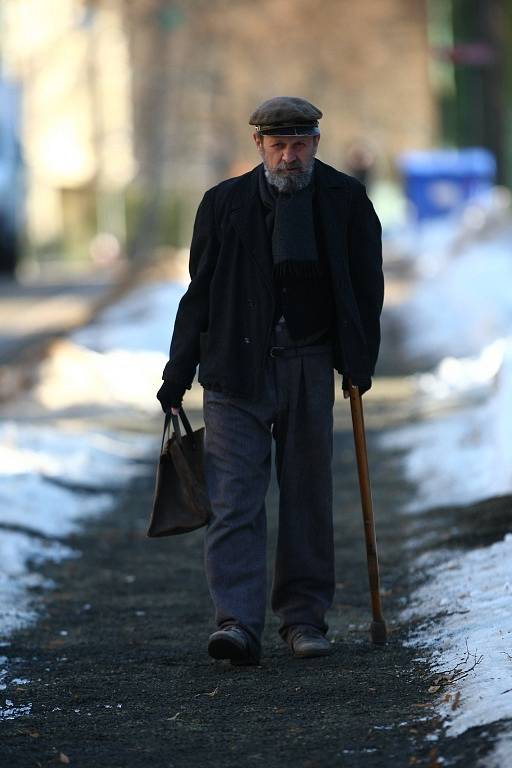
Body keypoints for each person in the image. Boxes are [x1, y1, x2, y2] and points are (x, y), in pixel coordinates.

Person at [157, 96, 384, 665]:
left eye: (299, 145)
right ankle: (237, 622)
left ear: (315, 144)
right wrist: (177, 371)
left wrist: (360, 360)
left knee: (308, 497)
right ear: (258, 146)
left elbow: (366, 288)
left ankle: (304, 620)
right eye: (278, 146)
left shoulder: (345, 200)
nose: (289, 157)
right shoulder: (223, 204)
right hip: (235, 368)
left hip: (309, 362)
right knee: (235, 500)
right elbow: (200, 293)